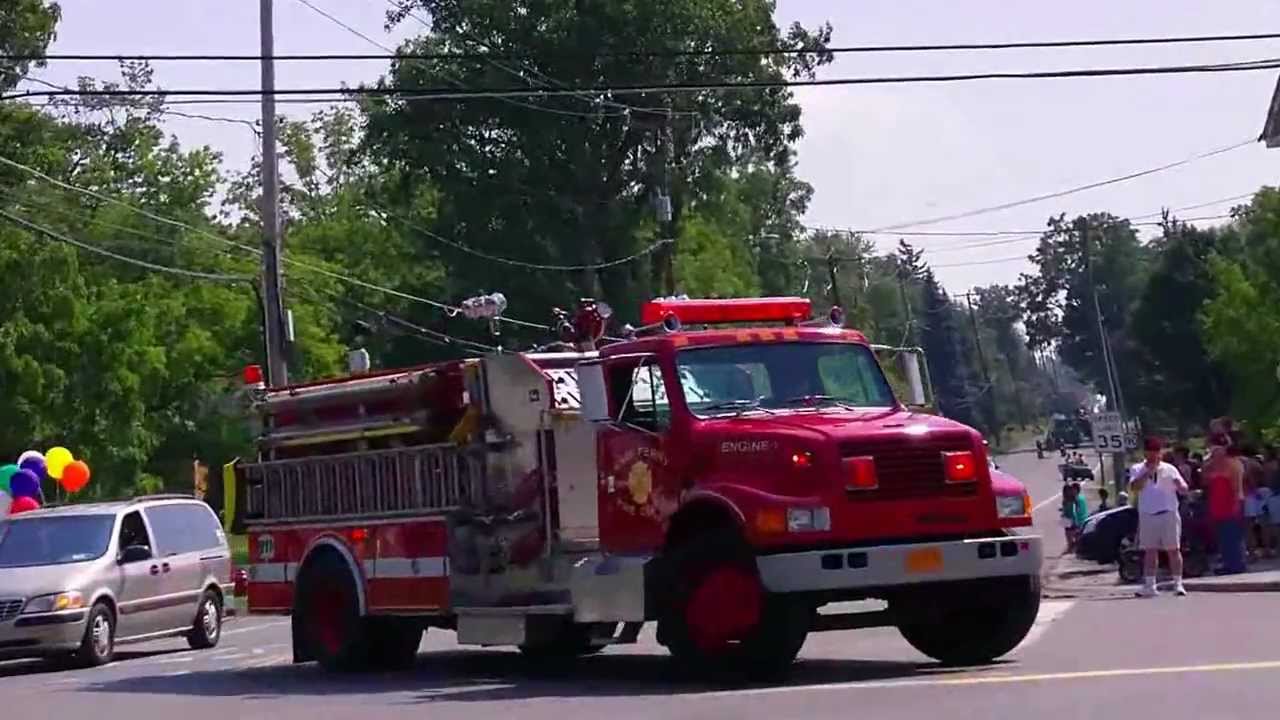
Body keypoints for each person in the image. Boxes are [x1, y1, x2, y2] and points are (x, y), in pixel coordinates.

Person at [1130, 436, 1190, 597]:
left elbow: (1183, 487)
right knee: (1150, 550)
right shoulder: (1137, 468)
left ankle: (1178, 584)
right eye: (1150, 452)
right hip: (1148, 513)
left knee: (1173, 549)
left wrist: (1181, 486)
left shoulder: (1170, 468)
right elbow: (1134, 487)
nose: (1153, 455)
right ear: (1145, 452)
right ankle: (1150, 585)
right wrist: (1147, 473)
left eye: (1156, 451)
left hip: (1168, 512)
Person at [1204, 432, 1247, 575]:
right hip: (1218, 503)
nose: (1213, 451)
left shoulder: (1233, 464)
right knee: (1223, 536)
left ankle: (1236, 564)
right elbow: (1205, 479)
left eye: (1216, 448)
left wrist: (1236, 505)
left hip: (1232, 503)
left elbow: (1237, 488)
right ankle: (1228, 563)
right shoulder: (1214, 465)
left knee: (1232, 535)